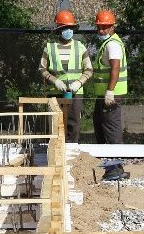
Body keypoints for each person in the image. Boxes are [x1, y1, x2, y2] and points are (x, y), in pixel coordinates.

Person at [38, 10, 93, 143]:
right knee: (55, 124)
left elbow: (89, 69)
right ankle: (55, 150)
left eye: (70, 28)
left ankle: (71, 149)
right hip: (55, 92)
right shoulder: (49, 48)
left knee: (73, 125)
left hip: (76, 93)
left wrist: (79, 82)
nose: (68, 30)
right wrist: (55, 81)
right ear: (59, 29)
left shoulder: (80, 47)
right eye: (65, 28)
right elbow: (42, 69)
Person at [91, 10, 128, 146]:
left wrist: (110, 91)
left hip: (111, 95)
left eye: (104, 27)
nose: (101, 31)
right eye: (99, 27)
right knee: (100, 125)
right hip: (104, 94)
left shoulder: (112, 45)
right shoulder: (107, 43)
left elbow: (115, 68)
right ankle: (106, 158)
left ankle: (116, 158)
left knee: (111, 128)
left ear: (112, 27)